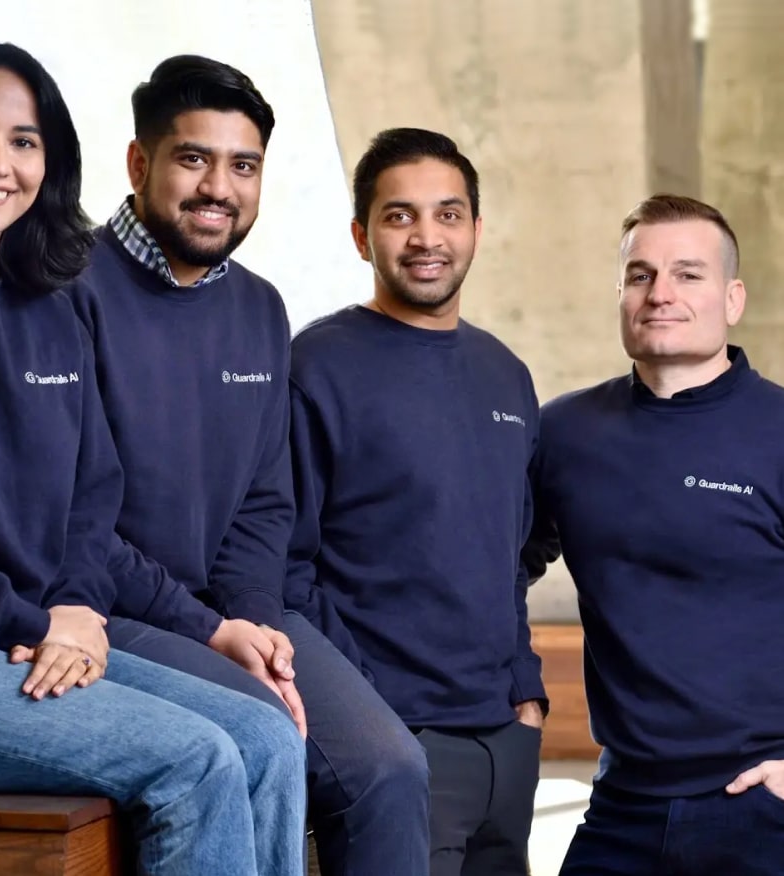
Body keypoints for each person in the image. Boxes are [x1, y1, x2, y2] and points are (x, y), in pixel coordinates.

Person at [0, 38, 305, 876]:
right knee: (196, 762)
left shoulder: (47, 309)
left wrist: (83, 611)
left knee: (266, 738)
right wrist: (35, 621)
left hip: (16, 644)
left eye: (24, 141)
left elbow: (87, 505)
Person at [70, 55, 430, 876]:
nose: (218, 188)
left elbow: (263, 505)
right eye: (193, 158)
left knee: (390, 770)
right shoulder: (64, 288)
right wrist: (213, 634)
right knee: (260, 735)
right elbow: (69, 521)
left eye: (243, 166)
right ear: (140, 163)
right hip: (109, 610)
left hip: (228, 611)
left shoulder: (259, 308)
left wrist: (257, 627)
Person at [286, 127, 547, 876]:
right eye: (399, 216)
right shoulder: (316, 365)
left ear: (474, 228)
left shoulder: (505, 373)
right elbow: (283, 568)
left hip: (504, 738)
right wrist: (370, 712)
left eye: (447, 214)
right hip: (397, 743)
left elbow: (509, 552)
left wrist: (524, 698)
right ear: (360, 236)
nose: (426, 237)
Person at [526, 193, 784, 876]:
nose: (659, 294)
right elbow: (492, 570)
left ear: (732, 299)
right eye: (640, 275)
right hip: (621, 804)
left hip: (763, 802)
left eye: (687, 274)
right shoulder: (563, 434)